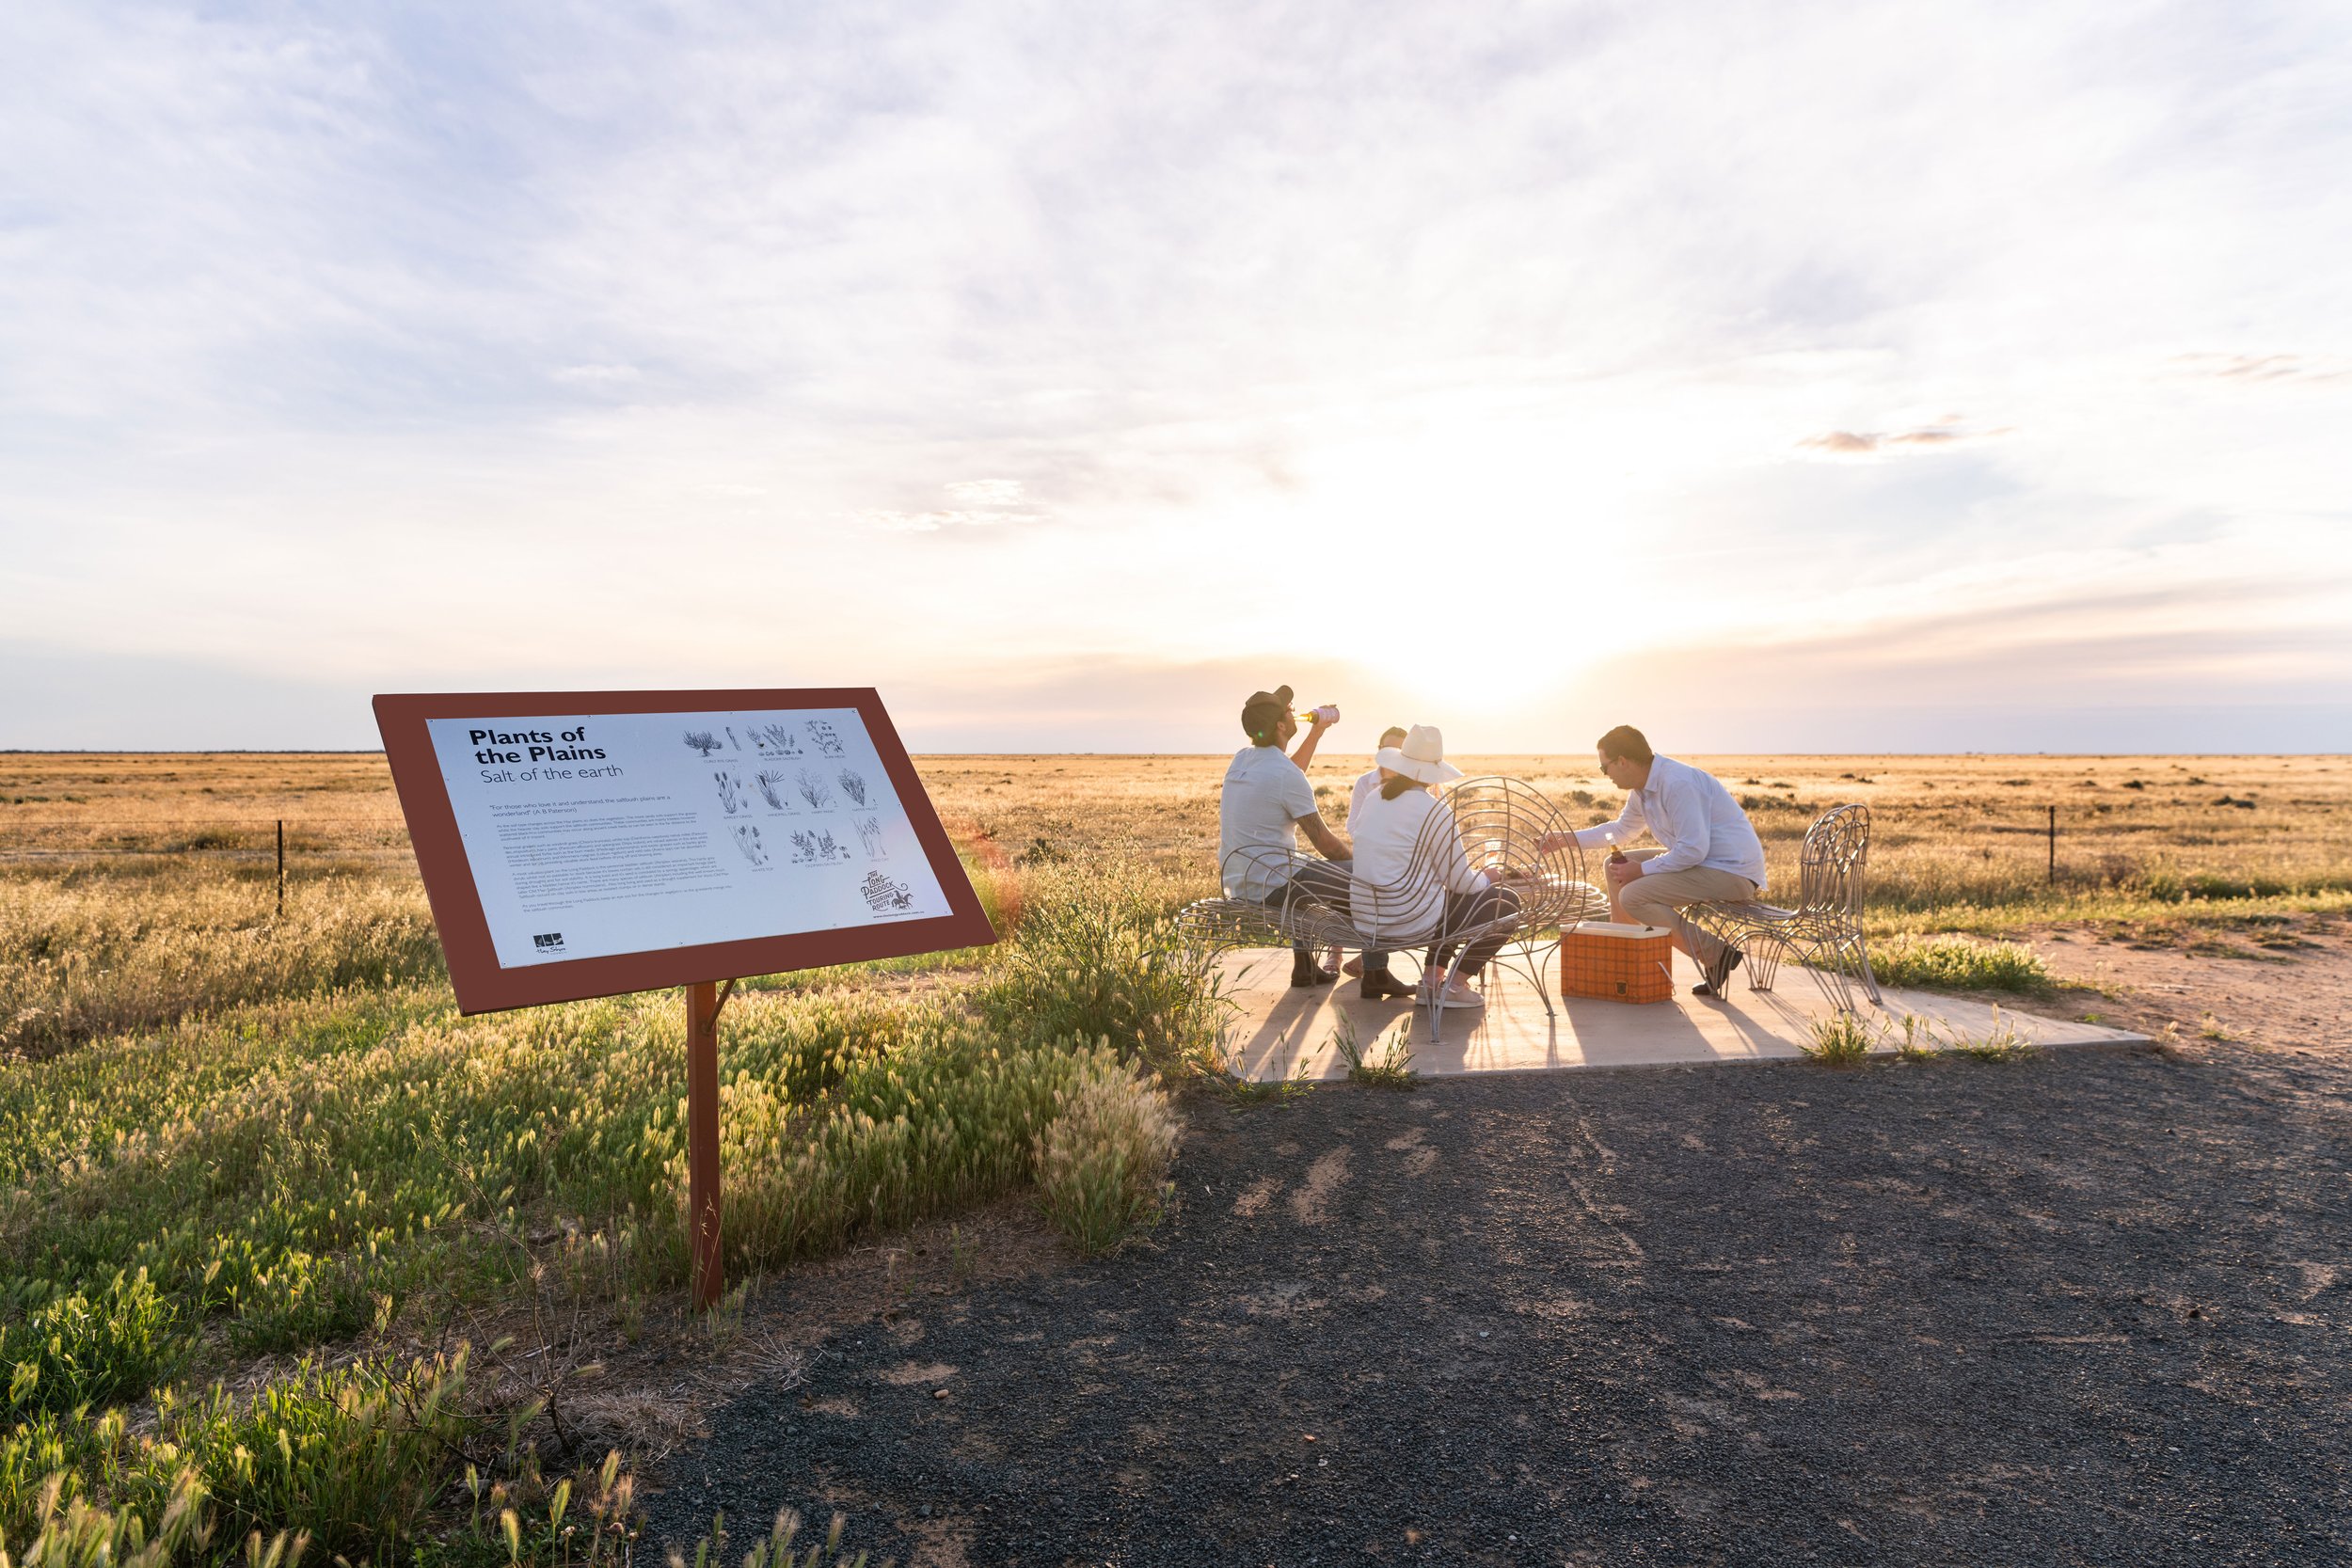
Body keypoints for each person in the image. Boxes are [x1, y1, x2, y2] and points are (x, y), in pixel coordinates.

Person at [1540, 724, 1765, 997]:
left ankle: (1716, 955)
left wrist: (1642, 870)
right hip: (1705, 864)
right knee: (1615, 867)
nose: (1605, 775)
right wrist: (1566, 839)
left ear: (1622, 761)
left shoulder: (1678, 783)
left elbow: (1693, 850)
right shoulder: (1643, 790)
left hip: (1731, 873)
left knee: (1633, 896)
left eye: (1604, 768)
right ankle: (1623, 955)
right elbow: (1623, 830)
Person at [1346, 725, 1523, 1007]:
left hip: (1368, 917)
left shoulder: (1373, 797)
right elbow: (1460, 883)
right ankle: (1453, 987)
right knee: (1507, 902)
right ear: (1432, 773)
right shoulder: (1434, 809)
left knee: (1446, 900)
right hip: (1409, 920)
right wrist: (1488, 878)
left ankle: (1431, 981)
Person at [1218, 684, 1355, 987]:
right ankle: (1375, 972)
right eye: (1290, 710)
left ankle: (1305, 969)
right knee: (1366, 878)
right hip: (1273, 885)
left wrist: (1316, 732)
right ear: (1281, 725)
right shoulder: (1283, 773)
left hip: (1239, 880)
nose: (1295, 712)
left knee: (1299, 867)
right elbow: (1326, 845)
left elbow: (1287, 773)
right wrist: (1360, 864)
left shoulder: (1242, 759)